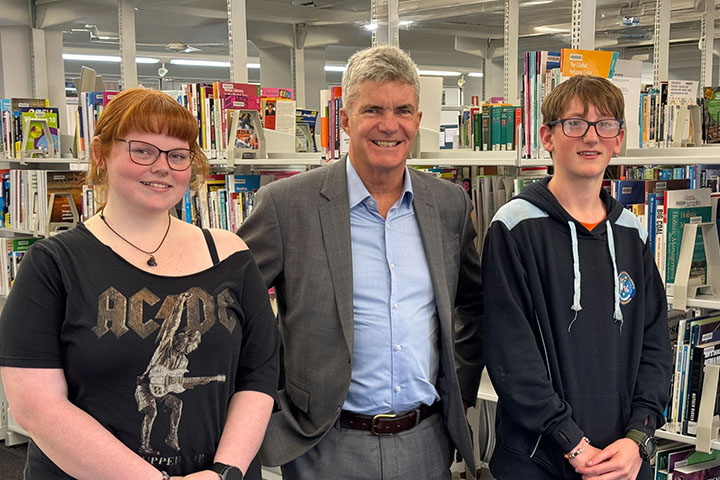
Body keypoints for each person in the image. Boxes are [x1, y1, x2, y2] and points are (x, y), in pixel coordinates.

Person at [0, 88, 280, 480]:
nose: (162, 167)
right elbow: (36, 406)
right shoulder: (53, 264)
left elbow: (259, 376)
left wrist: (225, 471)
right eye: (143, 150)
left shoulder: (230, 255)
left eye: (178, 155)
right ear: (101, 152)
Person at [238, 45, 484, 479]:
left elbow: (473, 305)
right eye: (373, 109)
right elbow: (235, 310)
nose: (389, 126)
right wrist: (269, 402)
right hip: (323, 445)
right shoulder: (286, 205)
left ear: (418, 121)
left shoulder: (448, 205)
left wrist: (459, 390)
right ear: (346, 119)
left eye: (403, 110)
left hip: (426, 442)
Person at [482, 75, 672, 480]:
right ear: (547, 137)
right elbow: (511, 354)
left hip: (622, 459)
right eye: (575, 123)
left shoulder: (631, 231)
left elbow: (655, 343)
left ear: (618, 139)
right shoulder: (514, 227)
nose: (591, 137)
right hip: (538, 458)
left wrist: (639, 436)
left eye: (605, 124)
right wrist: (570, 442)